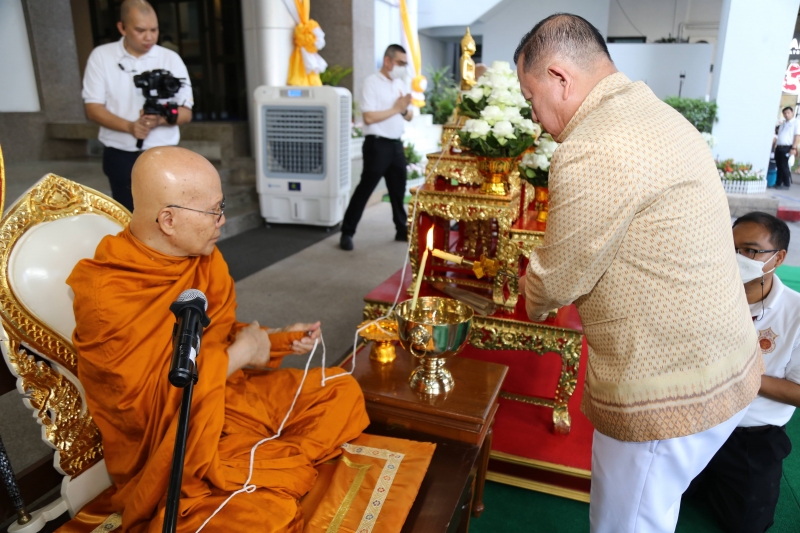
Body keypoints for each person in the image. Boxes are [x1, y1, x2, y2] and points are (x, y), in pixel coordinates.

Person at [515, 14, 763, 533]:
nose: (533, 115)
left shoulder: (592, 145)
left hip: (668, 384)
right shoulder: (653, 111)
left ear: (560, 77)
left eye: (530, 96)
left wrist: (525, 289)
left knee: (627, 524)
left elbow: (557, 279)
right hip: (724, 361)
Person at [66, 147, 370, 532]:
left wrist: (276, 341)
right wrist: (241, 355)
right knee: (265, 519)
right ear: (168, 220)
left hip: (229, 399)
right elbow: (142, 409)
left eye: (221, 206)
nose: (222, 221)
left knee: (339, 389)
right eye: (213, 211)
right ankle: (265, 466)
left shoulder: (203, 257)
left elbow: (217, 334)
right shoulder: (107, 293)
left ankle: (267, 461)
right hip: (176, 439)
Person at [689, 212, 799, 532]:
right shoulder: (703, 294)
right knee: (663, 491)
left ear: (778, 258)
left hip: (752, 435)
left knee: (747, 524)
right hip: (695, 420)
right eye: (731, 247)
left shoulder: (795, 313)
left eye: (750, 251)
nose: (737, 258)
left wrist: (741, 374)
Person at [82, 0, 193, 212]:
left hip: (164, 153)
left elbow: (186, 113)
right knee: (127, 216)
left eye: (154, 30)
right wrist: (130, 127)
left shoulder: (170, 58)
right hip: (121, 154)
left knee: (167, 216)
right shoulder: (102, 57)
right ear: (122, 27)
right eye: (141, 30)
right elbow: (93, 108)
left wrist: (160, 119)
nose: (149, 37)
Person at [340, 44, 412, 251]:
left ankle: (401, 230)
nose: (402, 67)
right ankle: (347, 232)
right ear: (387, 61)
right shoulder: (371, 83)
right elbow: (369, 117)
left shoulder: (401, 83)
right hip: (377, 144)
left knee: (398, 192)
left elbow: (409, 115)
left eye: (405, 64)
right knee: (365, 189)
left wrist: (404, 109)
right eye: (400, 63)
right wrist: (396, 108)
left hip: (396, 144)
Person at [773, 106, 799, 190]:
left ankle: (786, 184)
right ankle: (778, 183)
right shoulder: (783, 124)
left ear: (792, 113)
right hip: (779, 146)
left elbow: (797, 136)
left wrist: (794, 148)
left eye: (788, 113)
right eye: (785, 113)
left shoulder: (796, 122)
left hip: (787, 147)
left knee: (784, 166)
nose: (786, 115)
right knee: (778, 165)